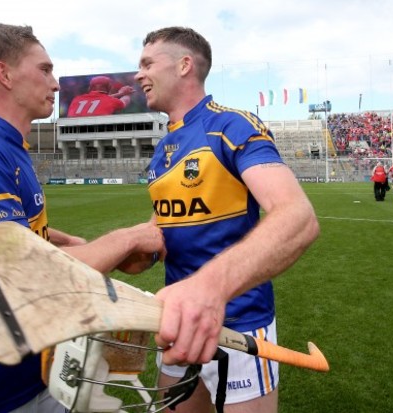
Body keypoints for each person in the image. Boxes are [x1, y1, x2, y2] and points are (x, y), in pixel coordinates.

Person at [0, 23, 165, 413]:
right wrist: (128, 239)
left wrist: (67, 243)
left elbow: (17, 238)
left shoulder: (7, 147)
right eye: (45, 70)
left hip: (34, 376)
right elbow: (25, 274)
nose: (56, 84)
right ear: (4, 74)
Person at [135, 27, 319, 413]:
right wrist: (105, 251)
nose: (138, 75)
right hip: (179, 323)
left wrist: (207, 289)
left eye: (147, 63)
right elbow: (159, 237)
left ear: (185, 65)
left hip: (239, 325)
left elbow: (298, 216)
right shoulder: (163, 148)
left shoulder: (232, 126)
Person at [67, 75, 135, 117]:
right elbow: (124, 101)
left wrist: (119, 94)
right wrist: (127, 94)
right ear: (108, 87)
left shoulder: (76, 99)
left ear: (90, 87)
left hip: (72, 134)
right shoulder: (110, 101)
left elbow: (101, 100)